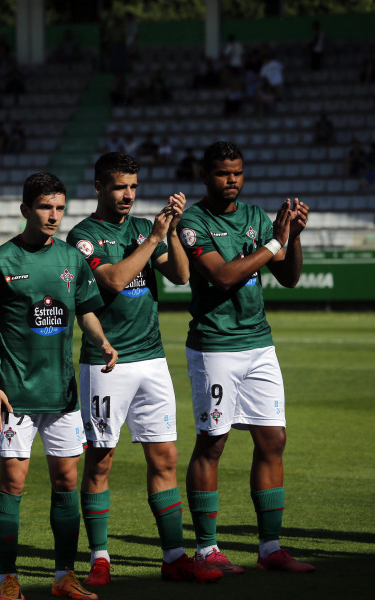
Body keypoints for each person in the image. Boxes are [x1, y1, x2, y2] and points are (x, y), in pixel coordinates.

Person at [66, 153, 222, 586]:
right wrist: (153, 238)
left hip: (152, 360)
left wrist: (169, 234)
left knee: (165, 456)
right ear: (99, 187)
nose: (128, 194)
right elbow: (114, 279)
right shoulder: (83, 237)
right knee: (100, 460)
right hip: (106, 362)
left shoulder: (142, 229)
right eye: (119, 186)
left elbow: (180, 274)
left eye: (133, 186)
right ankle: (100, 557)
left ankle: (174, 556)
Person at [0, 172, 118, 600]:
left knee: (67, 482)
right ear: (25, 210)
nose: (53, 216)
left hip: (63, 395)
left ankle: (63, 576)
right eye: (45, 207)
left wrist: (102, 340)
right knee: (13, 483)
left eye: (59, 207)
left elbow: (86, 310)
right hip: (15, 395)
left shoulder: (72, 260)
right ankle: (7, 578)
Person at [176, 141, 314, 574]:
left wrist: (293, 240)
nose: (231, 179)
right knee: (213, 443)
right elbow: (222, 276)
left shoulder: (254, 217)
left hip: (259, 345)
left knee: (273, 441)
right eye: (222, 173)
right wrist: (276, 238)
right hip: (215, 346)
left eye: (237, 172)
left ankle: (270, 548)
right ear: (205, 176)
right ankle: (207, 549)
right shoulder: (193, 221)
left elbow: (289, 278)